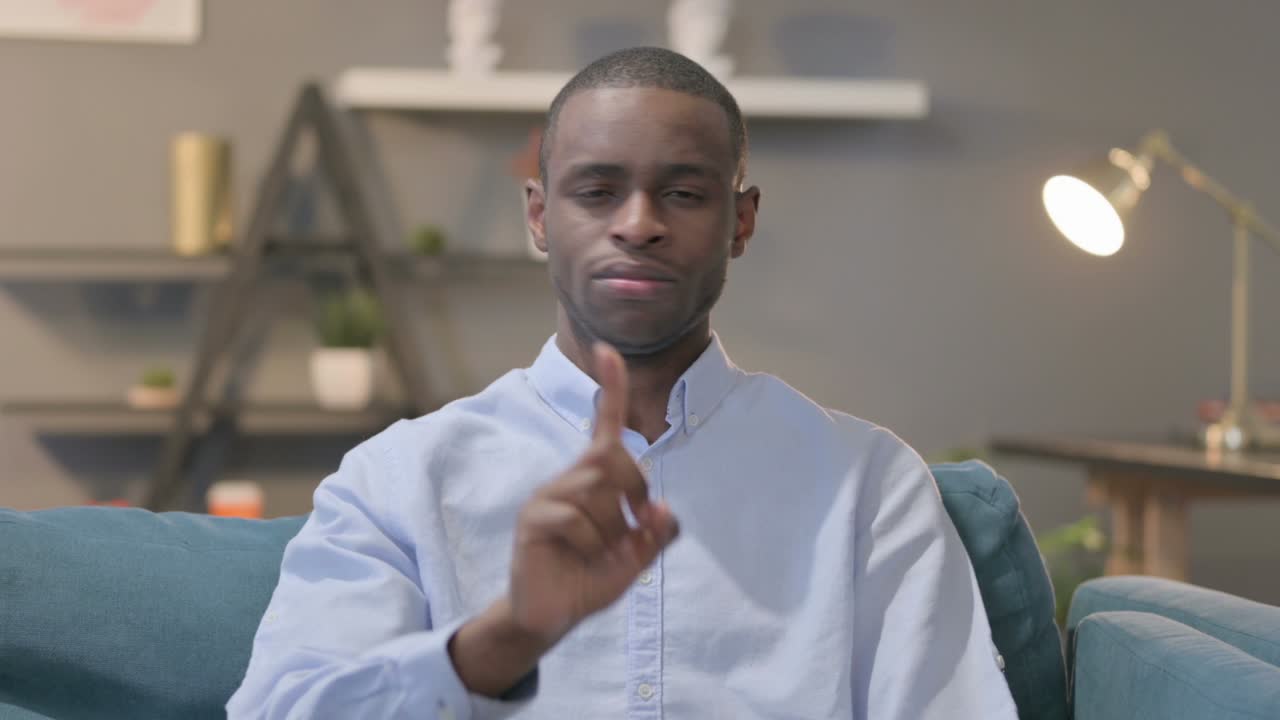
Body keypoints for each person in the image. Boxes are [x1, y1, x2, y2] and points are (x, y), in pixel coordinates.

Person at [228, 46, 1017, 719]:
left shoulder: (869, 486)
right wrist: (503, 640)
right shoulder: (398, 478)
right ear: (539, 216)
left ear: (740, 222)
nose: (639, 223)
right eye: (598, 191)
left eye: (682, 192)